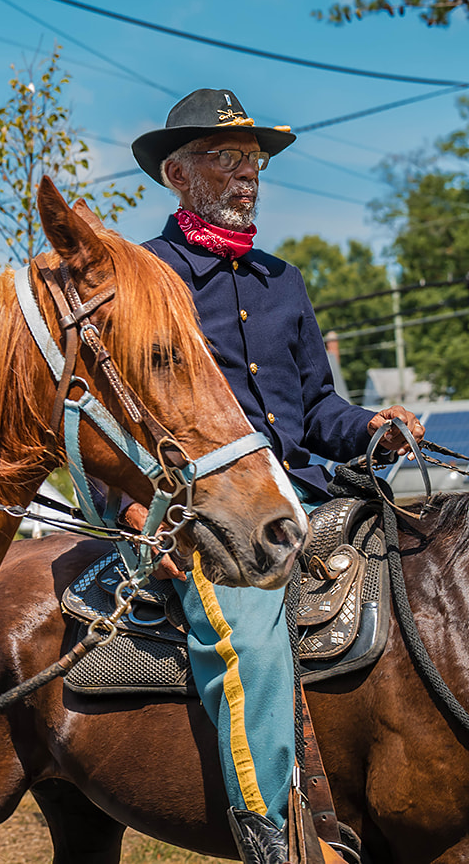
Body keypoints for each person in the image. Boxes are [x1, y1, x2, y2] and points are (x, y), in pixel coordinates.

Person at [131, 88, 424, 864]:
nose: (246, 175)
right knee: (251, 636)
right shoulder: (145, 278)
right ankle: (277, 839)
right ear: (176, 174)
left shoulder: (282, 279)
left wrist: (369, 428)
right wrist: (137, 515)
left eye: (253, 161)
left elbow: (317, 404)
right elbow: (117, 413)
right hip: (206, 512)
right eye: (226, 158)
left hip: (306, 492)